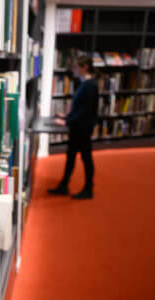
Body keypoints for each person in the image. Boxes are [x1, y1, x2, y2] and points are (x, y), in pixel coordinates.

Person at [48, 55, 99, 199]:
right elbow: (79, 107)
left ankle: (88, 190)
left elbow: (86, 111)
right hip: (78, 127)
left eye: (76, 67)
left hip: (82, 129)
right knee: (72, 157)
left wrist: (67, 122)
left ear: (85, 68)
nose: (74, 70)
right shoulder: (84, 83)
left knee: (85, 158)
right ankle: (64, 185)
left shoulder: (90, 85)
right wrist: (66, 115)